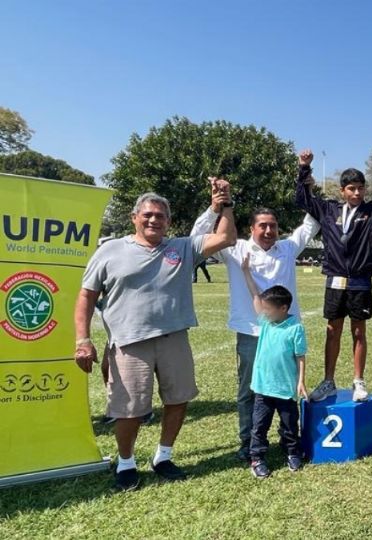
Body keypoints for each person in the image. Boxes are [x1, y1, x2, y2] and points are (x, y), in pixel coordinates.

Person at [74, 179, 237, 492]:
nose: (153, 220)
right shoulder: (110, 250)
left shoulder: (182, 247)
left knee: (178, 399)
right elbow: (86, 296)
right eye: (147, 215)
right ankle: (126, 462)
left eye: (160, 216)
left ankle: (163, 457)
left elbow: (226, 236)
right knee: (129, 409)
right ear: (134, 217)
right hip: (129, 342)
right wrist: (83, 339)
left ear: (169, 222)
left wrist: (225, 203)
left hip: (174, 337)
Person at [190, 201, 320, 462]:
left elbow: (311, 224)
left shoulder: (288, 248)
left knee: (287, 389)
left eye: (273, 225)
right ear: (251, 228)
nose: (269, 230)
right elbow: (196, 239)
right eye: (263, 225)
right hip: (252, 333)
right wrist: (215, 208)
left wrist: (307, 185)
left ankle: (288, 439)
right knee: (249, 390)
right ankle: (248, 442)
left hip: (285, 333)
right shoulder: (234, 248)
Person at [295, 147, 372, 402]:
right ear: (343, 191)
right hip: (335, 281)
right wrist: (304, 167)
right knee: (332, 331)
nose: (357, 193)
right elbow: (303, 199)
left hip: (360, 281)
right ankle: (328, 381)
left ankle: (358, 380)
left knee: (359, 332)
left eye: (360, 188)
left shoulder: (371, 211)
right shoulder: (328, 211)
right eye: (351, 188)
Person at [240, 255, 308, 478]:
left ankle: (292, 452)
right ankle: (257, 457)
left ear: (284, 308)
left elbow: (300, 357)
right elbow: (255, 296)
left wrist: (300, 381)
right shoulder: (266, 322)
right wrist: (247, 272)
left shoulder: (295, 328)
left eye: (269, 308)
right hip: (262, 388)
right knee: (259, 426)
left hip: (286, 389)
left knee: (290, 425)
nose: (264, 311)